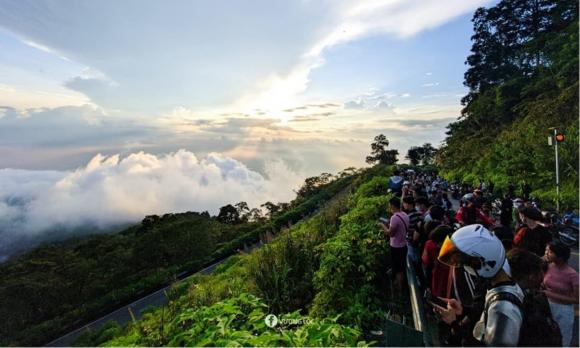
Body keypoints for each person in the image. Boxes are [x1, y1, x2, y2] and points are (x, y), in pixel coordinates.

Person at [437, 224, 524, 346]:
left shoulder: (502, 308)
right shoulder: (496, 286)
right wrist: (462, 311)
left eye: (464, 261)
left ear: (480, 262)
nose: (463, 267)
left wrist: (454, 324)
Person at [508, 248, 562, 347]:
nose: (543, 275)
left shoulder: (501, 294)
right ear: (532, 276)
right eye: (541, 271)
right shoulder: (530, 305)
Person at [543, 241, 579, 347]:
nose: (546, 253)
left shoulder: (572, 275)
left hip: (563, 311)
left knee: (563, 339)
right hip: (546, 307)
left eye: (550, 252)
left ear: (560, 257)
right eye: (546, 251)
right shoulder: (548, 266)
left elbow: (577, 299)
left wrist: (549, 294)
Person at [378, 197, 409, 296]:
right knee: (401, 266)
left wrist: (382, 226)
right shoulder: (405, 214)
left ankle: (400, 290)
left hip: (396, 247)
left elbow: (390, 233)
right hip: (404, 245)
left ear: (392, 206)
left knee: (398, 269)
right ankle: (400, 285)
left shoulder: (394, 218)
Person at [422, 225, 452, 297]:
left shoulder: (429, 243)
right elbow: (431, 265)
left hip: (445, 279)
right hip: (436, 276)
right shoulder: (431, 246)